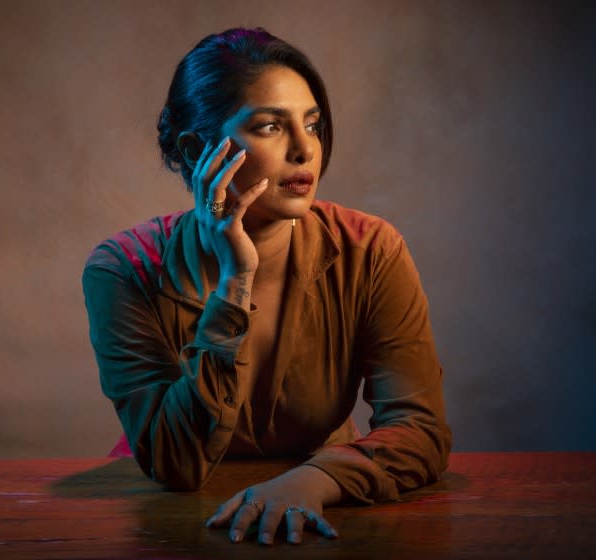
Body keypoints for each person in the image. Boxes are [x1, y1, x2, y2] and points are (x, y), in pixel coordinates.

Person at [82, 27, 452, 546]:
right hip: (168, 525)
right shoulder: (124, 269)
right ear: (196, 149)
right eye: (270, 126)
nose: (305, 150)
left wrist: (314, 480)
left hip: (322, 510)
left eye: (313, 124)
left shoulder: (370, 251)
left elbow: (421, 431)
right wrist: (235, 282)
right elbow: (177, 467)